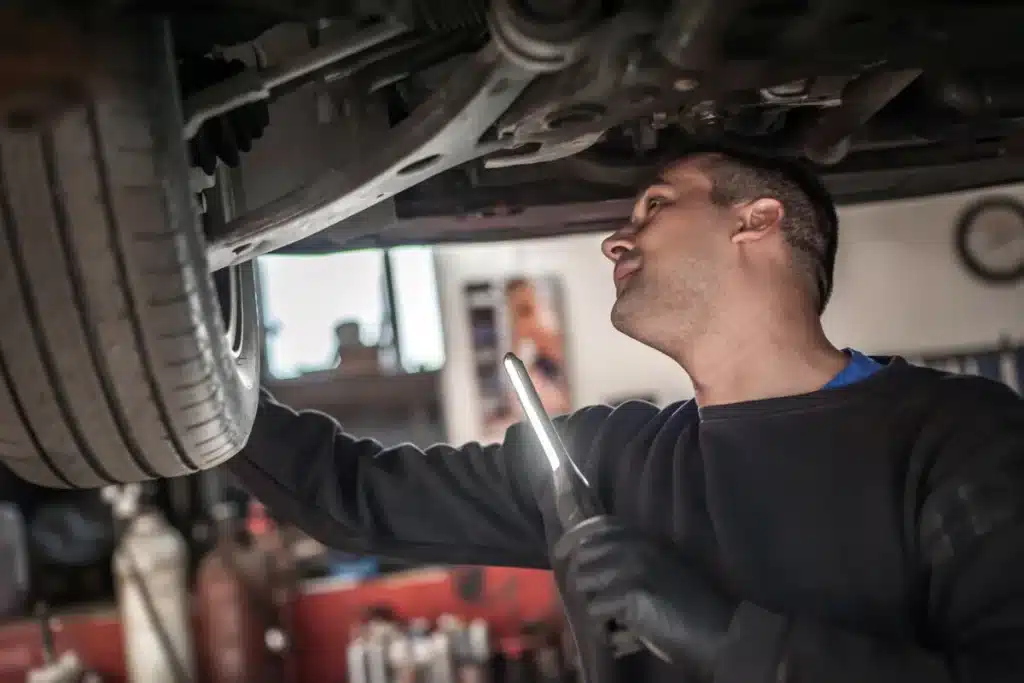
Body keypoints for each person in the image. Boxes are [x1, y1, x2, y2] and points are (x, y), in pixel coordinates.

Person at [228, 146, 1024, 683]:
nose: (616, 239)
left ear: (758, 221)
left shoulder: (959, 434)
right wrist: (179, 379)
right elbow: (352, 496)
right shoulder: (602, 458)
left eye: (653, 205)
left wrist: (723, 638)